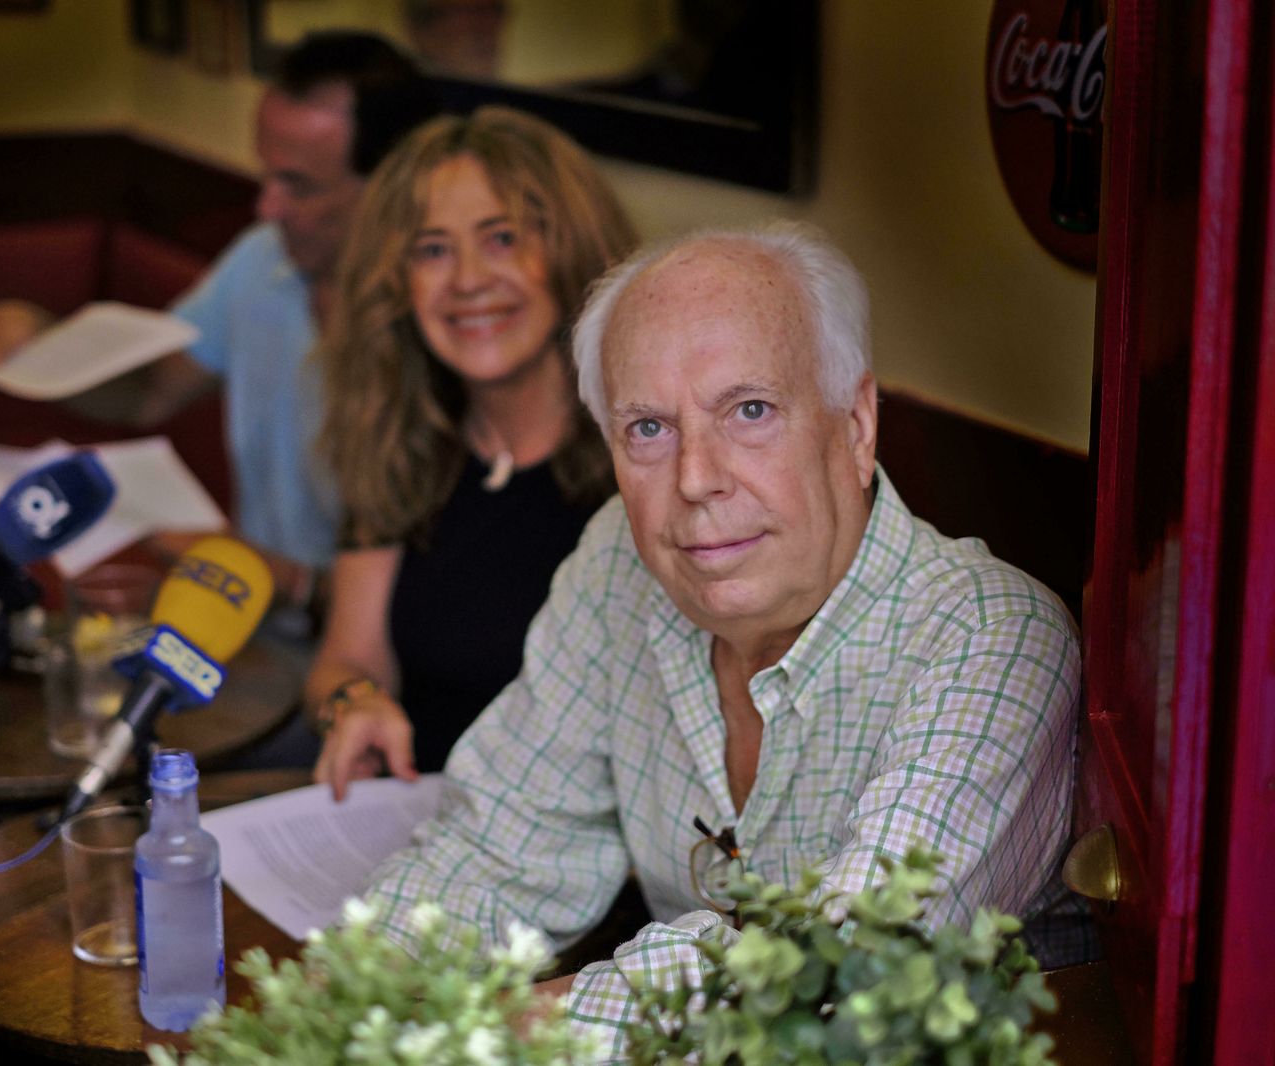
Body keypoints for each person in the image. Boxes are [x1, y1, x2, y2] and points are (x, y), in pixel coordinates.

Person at [360, 224, 1090, 1057]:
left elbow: (841, 972)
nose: (696, 478)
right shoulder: (620, 564)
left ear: (854, 427)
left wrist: (500, 1031)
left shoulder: (993, 638)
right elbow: (497, 853)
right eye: (648, 429)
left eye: (749, 410)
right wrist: (359, 993)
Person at [0, 32, 440, 617]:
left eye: (298, 185)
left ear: (393, 187)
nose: (266, 208)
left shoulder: (448, 328)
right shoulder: (262, 260)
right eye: (265, 175)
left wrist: (286, 580)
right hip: (253, 632)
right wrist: (40, 343)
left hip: (371, 659)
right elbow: (149, 393)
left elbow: (453, 602)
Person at [306, 107, 637, 789]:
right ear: (397, 285)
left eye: (503, 238)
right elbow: (347, 657)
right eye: (432, 250)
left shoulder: (644, 458)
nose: (466, 280)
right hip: (418, 827)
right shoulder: (401, 445)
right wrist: (353, 704)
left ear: (571, 251)